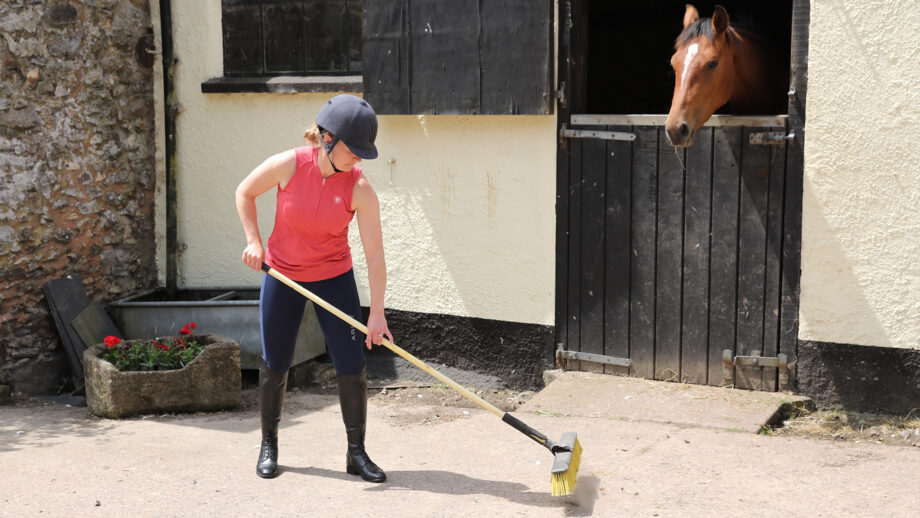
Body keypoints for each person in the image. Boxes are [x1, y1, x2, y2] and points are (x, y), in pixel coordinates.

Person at [236, 94, 392, 482]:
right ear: (327, 139)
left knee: (351, 365)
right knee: (275, 362)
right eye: (354, 150)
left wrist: (376, 313)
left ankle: (356, 453)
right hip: (284, 274)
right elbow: (245, 192)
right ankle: (269, 444)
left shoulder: (360, 188)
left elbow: (374, 256)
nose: (359, 158)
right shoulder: (290, 164)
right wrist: (255, 242)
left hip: (333, 276)